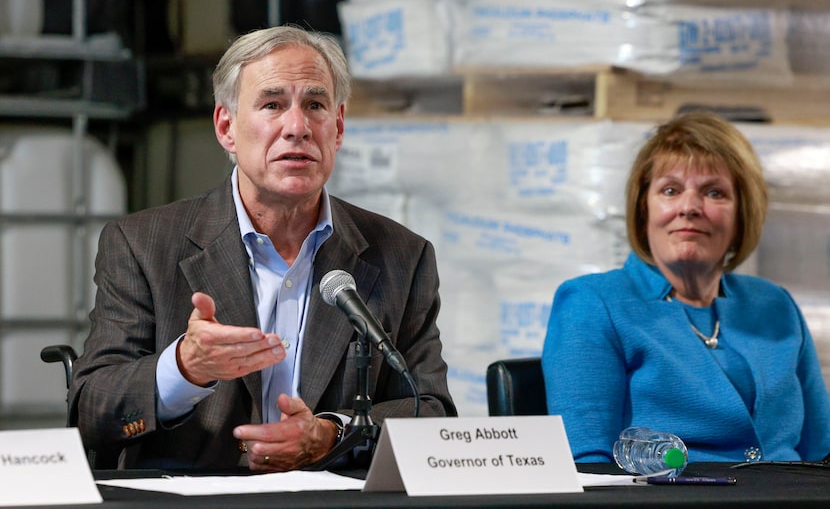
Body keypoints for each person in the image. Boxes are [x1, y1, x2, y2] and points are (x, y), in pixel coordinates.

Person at [69, 26, 456, 472]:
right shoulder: (142, 244)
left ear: (339, 127)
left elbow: (432, 412)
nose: (297, 127)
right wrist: (184, 367)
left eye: (315, 105)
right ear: (226, 127)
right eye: (272, 105)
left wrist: (333, 432)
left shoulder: (402, 256)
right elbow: (90, 412)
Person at [542, 111, 830, 464]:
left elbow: (822, 452)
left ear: (742, 213)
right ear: (643, 208)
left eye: (714, 192)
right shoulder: (592, 304)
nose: (690, 207)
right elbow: (587, 463)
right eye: (670, 190)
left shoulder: (776, 305)